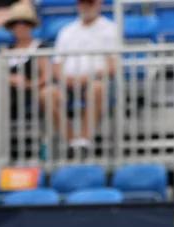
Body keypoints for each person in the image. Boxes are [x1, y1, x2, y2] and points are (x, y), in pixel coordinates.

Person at [0, 2, 47, 166]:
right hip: (5, 96)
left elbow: (45, 78)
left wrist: (26, 84)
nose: (20, 27)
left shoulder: (40, 47)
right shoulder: (6, 50)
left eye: (24, 23)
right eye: (16, 23)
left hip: (27, 95)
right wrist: (10, 80)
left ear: (31, 26)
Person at [47, 0, 120, 153]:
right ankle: (72, 141)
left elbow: (113, 66)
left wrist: (87, 77)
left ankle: (84, 140)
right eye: (82, 3)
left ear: (98, 4)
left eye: (90, 3)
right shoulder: (66, 31)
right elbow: (56, 66)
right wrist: (64, 79)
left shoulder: (110, 29)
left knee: (97, 88)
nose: (86, 7)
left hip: (98, 81)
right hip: (67, 83)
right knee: (47, 94)